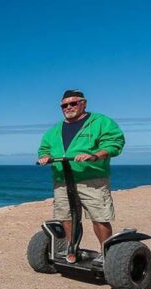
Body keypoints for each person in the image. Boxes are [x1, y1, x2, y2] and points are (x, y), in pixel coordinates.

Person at [38, 89, 125, 264]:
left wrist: (96, 155)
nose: (68, 107)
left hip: (91, 178)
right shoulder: (54, 130)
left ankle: (105, 252)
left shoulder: (100, 122)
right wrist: (44, 157)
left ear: (83, 103)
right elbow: (44, 148)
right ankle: (72, 247)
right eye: (64, 105)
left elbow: (115, 142)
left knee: (99, 216)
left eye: (73, 103)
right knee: (65, 215)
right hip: (63, 179)